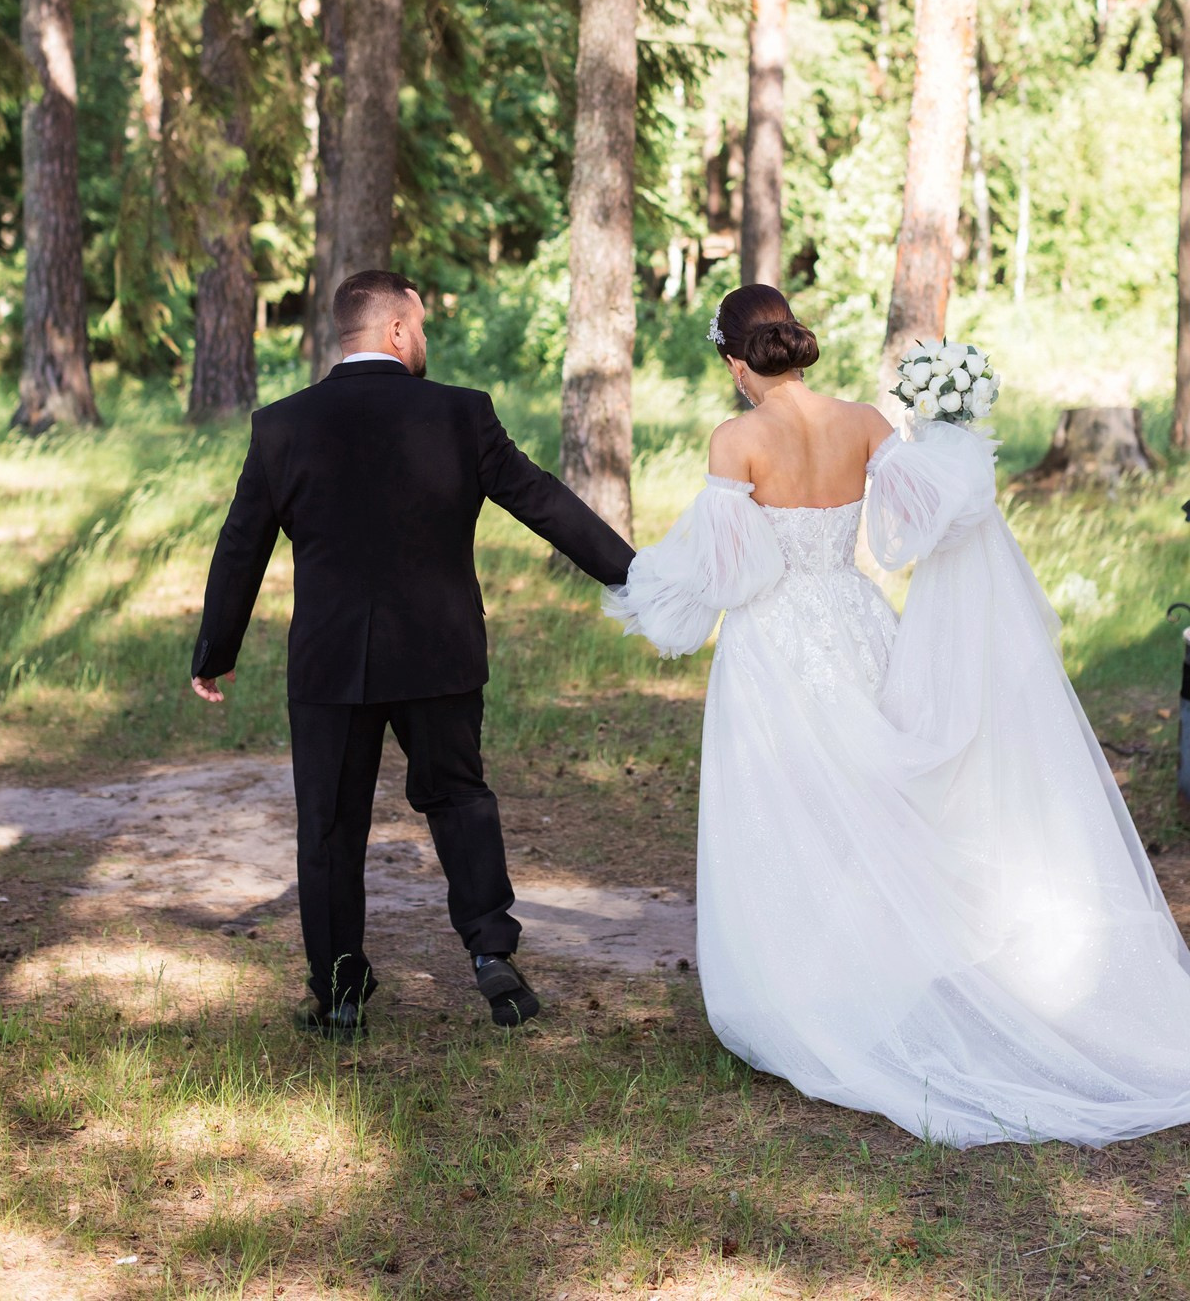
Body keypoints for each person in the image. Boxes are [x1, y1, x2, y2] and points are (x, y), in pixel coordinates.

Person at [604, 282, 1190, 1146]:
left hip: (776, 642)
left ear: (736, 363)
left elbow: (729, 576)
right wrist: (951, 435)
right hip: (857, 619)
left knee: (796, 813)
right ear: (794, 343)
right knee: (881, 805)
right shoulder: (865, 421)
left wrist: (656, 588)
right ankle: (892, 973)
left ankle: (816, 992)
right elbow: (922, 521)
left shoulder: (736, 438)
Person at [190, 270, 633, 1038]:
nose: (424, 340)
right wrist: (634, 575)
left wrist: (215, 649)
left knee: (329, 825)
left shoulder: (282, 425)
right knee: (459, 796)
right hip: (440, 651)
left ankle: (340, 991)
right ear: (397, 330)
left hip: (331, 663)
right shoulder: (461, 414)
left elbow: (241, 546)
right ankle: (492, 953)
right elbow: (543, 500)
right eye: (420, 326)